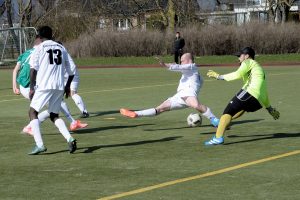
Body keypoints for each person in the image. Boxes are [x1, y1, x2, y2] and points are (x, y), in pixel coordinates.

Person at [205, 47, 280, 146]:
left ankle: (218, 138)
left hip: (249, 93)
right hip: (259, 102)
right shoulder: (258, 68)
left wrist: (219, 76)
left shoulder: (248, 62)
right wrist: (269, 108)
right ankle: (223, 124)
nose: (238, 58)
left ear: (247, 56)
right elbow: (263, 90)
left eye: (240, 56)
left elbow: (237, 74)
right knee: (240, 109)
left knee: (227, 112)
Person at [120, 53, 220, 127]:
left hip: (187, 93)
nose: (181, 62)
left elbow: (179, 67)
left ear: (189, 60)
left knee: (195, 105)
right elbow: (186, 71)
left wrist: (165, 64)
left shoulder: (192, 66)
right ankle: (135, 113)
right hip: (179, 96)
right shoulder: (193, 73)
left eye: (182, 60)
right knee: (159, 109)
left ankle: (215, 120)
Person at [12, 40, 88, 136]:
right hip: (30, 86)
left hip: (24, 86)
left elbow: (15, 70)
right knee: (53, 108)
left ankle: (72, 123)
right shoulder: (41, 52)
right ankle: (30, 128)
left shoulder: (25, 53)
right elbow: (36, 70)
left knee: (52, 108)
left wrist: (14, 86)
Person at [27, 25, 77, 155]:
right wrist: (67, 86)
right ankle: (69, 138)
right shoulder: (61, 47)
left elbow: (33, 70)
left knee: (32, 112)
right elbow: (71, 70)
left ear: (40, 36)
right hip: (59, 86)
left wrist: (32, 88)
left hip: (44, 85)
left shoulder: (39, 48)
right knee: (54, 115)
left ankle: (39, 145)